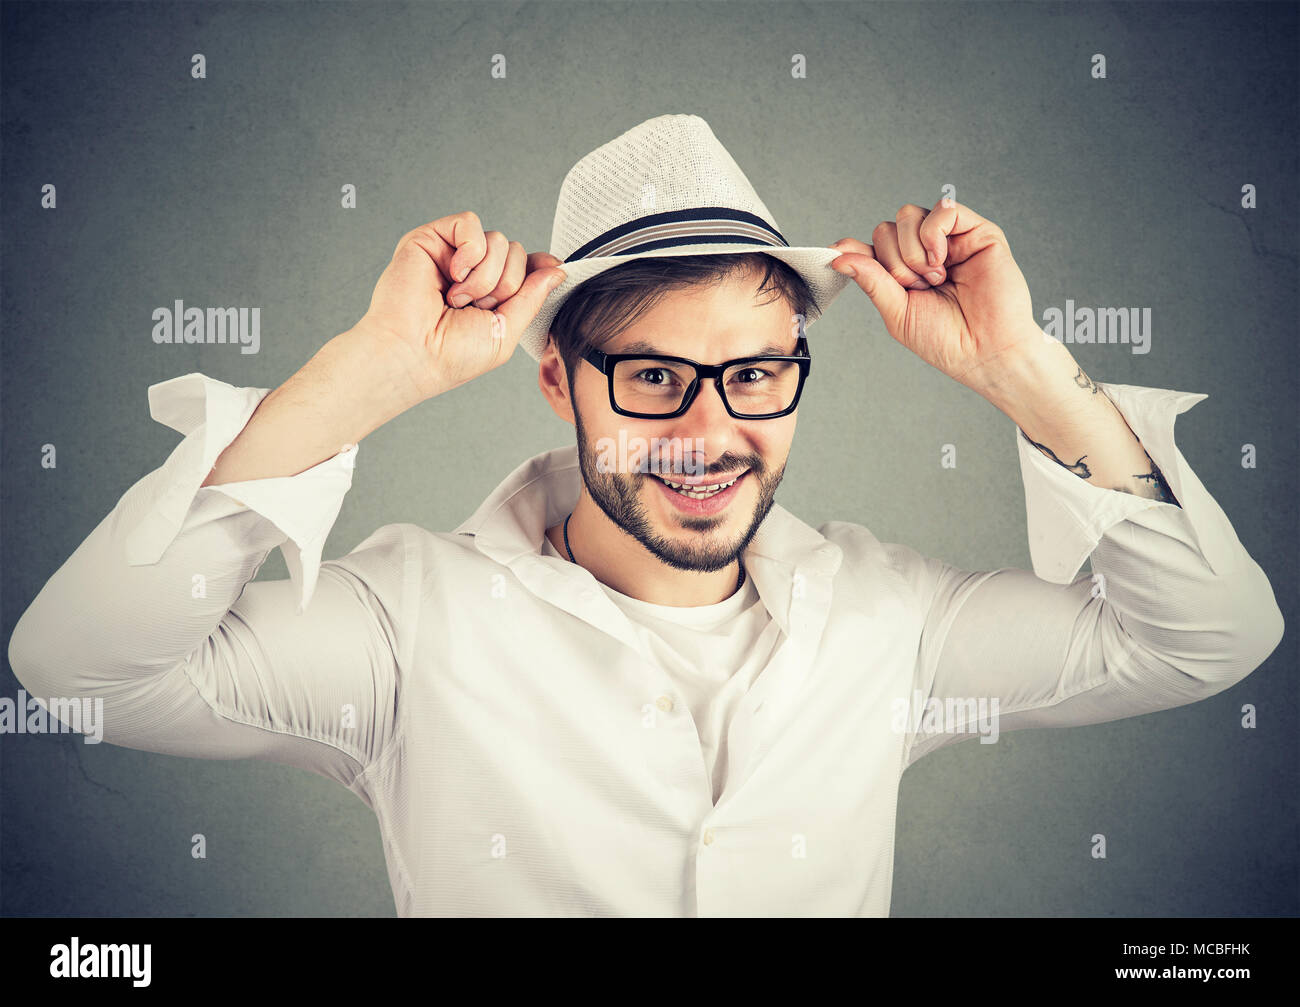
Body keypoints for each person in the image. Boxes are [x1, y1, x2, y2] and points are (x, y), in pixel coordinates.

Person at [8, 113, 1283, 917]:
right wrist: (374, 371)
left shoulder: (892, 624)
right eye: (656, 376)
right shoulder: (408, 627)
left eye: (757, 373)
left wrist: (1019, 368)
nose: (711, 430)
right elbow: (78, 670)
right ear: (559, 376)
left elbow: (1204, 637)